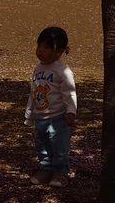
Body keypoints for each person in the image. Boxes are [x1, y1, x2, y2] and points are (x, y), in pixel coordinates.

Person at [24, 25, 77, 188]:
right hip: (41, 117)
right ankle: (45, 170)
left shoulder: (63, 71)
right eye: (39, 46)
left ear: (59, 51)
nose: (40, 50)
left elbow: (70, 93)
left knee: (59, 146)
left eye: (46, 47)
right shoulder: (38, 68)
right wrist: (30, 114)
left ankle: (61, 173)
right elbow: (34, 91)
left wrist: (71, 111)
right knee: (42, 145)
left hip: (58, 117)